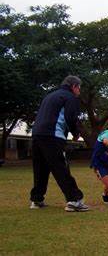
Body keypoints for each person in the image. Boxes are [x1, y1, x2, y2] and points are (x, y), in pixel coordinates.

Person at [29, 75, 89, 212]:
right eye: (79, 88)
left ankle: (37, 199)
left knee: (40, 168)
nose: (79, 91)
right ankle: (74, 200)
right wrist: (75, 132)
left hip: (37, 134)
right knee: (61, 168)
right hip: (53, 136)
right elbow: (70, 117)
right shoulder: (70, 97)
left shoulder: (49, 96)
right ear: (74, 86)